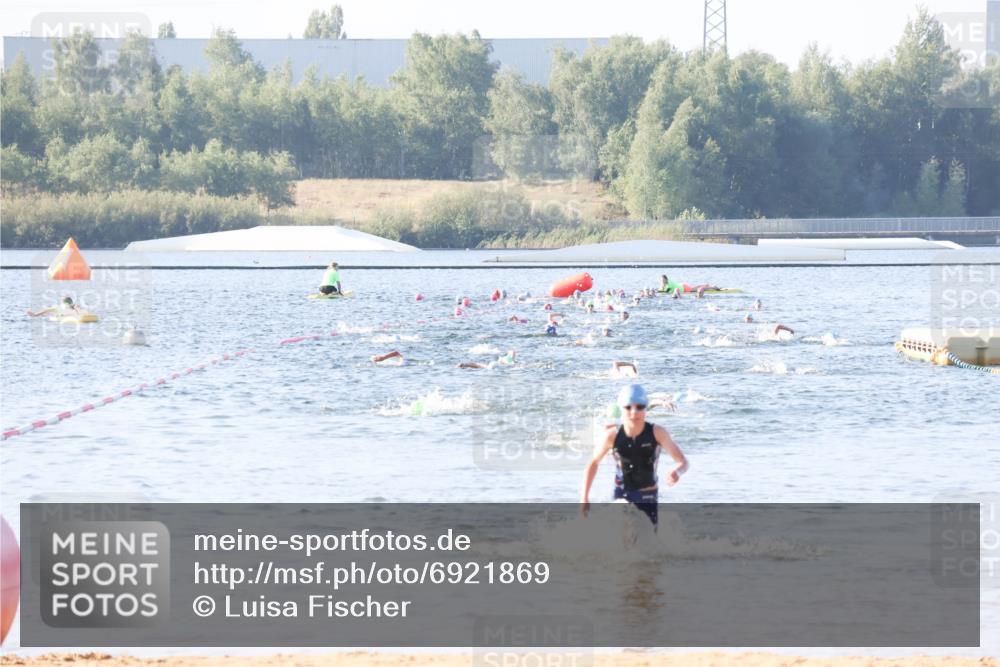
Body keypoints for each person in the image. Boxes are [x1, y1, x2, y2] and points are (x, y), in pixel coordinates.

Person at [581, 384, 689, 528]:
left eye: (639, 407)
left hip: (648, 495)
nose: (634, 412)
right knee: (626, 533)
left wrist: (678, 472)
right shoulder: (612, 435)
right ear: (621, 409)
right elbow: (593, 463)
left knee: (648, 543)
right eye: (628, 408)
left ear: (645, 408)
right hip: (622, 494)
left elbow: (683, 461)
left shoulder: (657, 433)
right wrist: (584, 498)